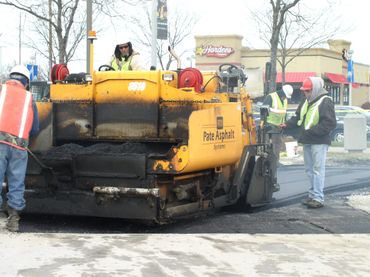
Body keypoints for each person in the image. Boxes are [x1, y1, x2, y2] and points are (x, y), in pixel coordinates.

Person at [281, 77, 336, 208]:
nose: (305, 93)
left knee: (317, 170)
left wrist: (311, 132)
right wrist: (286, 125)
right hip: (308, 140)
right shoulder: (306, 101)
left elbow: (330, 123)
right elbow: (298, 117)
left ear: (315, 89)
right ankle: (312, 195)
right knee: (310, 170)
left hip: (319, 141)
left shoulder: (325, 101)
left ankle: (318, 198)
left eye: (308, 91)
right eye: (305, 91)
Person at [0, 65, 39, 232]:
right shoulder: (29, 98)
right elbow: (35, 127)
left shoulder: (1, 90)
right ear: (26, 81)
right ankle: (13, 219)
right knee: (16, 182)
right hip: (19, 146)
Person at [263, 84, 293, 163]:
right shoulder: (271, 97)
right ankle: (267, 162)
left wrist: (285, 123)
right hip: (269, 125)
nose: (286, 97)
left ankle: (275, 162)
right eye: (285, 96)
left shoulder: (285, 100)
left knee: (277, 144)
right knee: (267, 144)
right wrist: (264, 124)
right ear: (282, 92)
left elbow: (284, 113)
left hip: (279, 126)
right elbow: (263, 111)